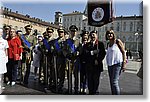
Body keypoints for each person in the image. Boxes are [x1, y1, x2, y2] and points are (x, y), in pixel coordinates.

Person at [105, 30, 126, 95]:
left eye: (111, 33)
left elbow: (123, 52)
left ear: (114, 34)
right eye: (108, 34)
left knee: (114, 82)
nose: (110, 35)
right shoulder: (108, 44)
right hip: (110, 64)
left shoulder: (117, 42)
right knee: (111, 82)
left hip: (117, 64)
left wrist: (124, 63)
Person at [85, 30, 106, 95]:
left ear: (97, 36)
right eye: (91, 35)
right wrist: (92, 52)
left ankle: (95, 93)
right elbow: (85, 53)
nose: (92, 36)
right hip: (89, 66)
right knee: (90, 80)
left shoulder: (100, 44)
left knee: (96, 80)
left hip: (97, 66)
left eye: (94, 35)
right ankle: (90, 92)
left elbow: (103, 53)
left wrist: (98, 60)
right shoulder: (87, 44)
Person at [51, 27, 67, 93]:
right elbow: (52, 48)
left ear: (64, 33)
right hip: (56, 58)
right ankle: (55, 84)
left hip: (63, 59)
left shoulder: (66, 41)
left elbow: (67, 49)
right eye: (59, 32)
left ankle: (60, 85)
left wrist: (62, 51)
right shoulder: (55, 41)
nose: (60, 33)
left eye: (61, 32)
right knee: (55, 72)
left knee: (61, 73)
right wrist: (53, 51)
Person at [66, 25, 80, 94]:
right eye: (72, 31)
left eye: (74, 31)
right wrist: (66, 54)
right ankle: (69, 88)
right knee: (69, 75)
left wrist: (78, 52)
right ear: (70, 32)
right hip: (69, 61)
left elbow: (80, 50)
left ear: (76, 32)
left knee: (76, 76)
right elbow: (64, 49)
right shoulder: (67, 41)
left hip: (75, 60)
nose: (73, 32)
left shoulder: (78, 41)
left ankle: (76, 89)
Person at [0, 28, 9, 92]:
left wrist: (6, 57)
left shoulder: (4, 41)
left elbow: (6, 49)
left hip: (2, 57)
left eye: (0, 32)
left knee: (1, 72)